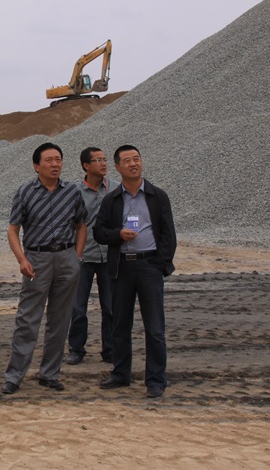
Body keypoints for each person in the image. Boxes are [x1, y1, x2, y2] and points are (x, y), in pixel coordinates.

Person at [1, 142, 87, 394]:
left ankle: (50, 373)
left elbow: (82, 224)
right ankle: (14, 376)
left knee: (60, 319)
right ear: (36, 166)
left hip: (66, 258)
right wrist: (21, 259)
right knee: (28, 319)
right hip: (36, 259)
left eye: (58, 159)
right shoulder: (25, 192)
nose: (55, 164)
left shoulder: (72, 192)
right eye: (49, 160)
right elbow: (13, 229)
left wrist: (77, 256)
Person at [94, 145, 177, 399]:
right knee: (120, 324)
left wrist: (160, 263)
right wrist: (118, 234)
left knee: (155, 328)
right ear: (117, 167)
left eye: (136, 159)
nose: (133, 164)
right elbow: (99, 232)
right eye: (127, 160)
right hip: (122, 267)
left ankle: (156, 379)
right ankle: (121, 374)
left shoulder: (157, 196)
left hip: (149, 265)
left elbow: (168, 234)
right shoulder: (111, 200)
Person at [65, 147, 119, 365]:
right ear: (86, 166)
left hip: (109, 255)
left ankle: (110, 349)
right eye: (98, 160)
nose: (103, 163)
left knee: (111, 307)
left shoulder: (115, 188)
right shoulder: (74, 192)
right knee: (78, 307)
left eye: (105, 159)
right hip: (83, 256)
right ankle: (76, 349)